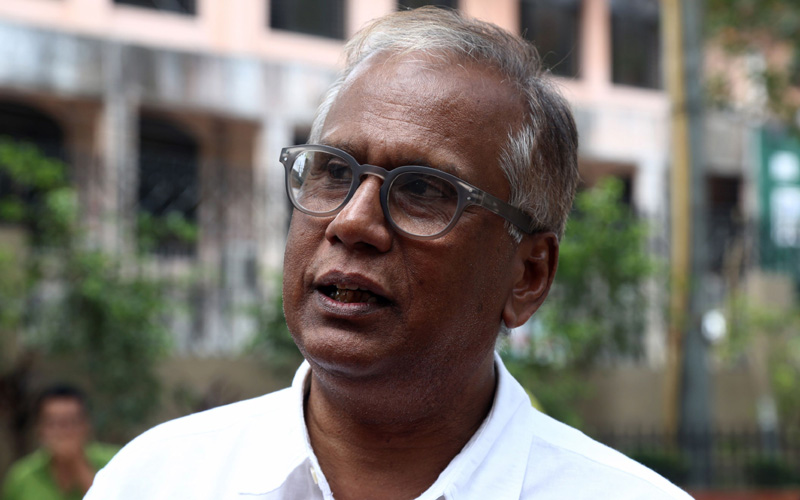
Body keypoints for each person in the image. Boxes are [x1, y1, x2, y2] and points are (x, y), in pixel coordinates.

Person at [86, 7, 692, 499]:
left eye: (423, 190)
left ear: (528, 275)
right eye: (332, 171)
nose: (352, 222)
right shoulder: (155, 482)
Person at [1, 385, 117, 500]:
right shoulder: (22, 478)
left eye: (72, 421)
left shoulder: (115, 463)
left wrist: (77, 464)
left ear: (87, 425)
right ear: (39, 429)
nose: (63, 432)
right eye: (53, 423)